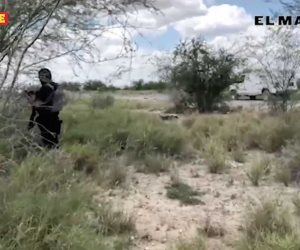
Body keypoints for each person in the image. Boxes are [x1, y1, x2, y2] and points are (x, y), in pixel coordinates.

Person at [28, 68, 63, 148]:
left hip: (46, 120)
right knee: (54, 143)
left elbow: (37, 105)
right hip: (55, 119)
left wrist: (33, 98)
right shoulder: (56, 86)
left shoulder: (45, 88)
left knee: (48, 144)